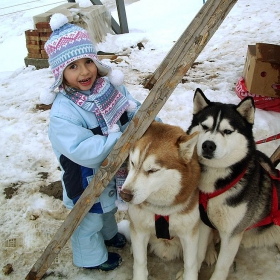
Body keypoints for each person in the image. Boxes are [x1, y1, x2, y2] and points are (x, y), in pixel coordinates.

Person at [41, 13, 141, 271]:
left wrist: (144, 120)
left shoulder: (108, 87)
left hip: (107, 173)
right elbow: (83, 151)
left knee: (107, 210)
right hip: (84, 177)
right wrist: (121, 137)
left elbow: (133, 109)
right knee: (89, 220)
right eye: (72, 66)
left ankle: (109, 236)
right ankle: (91, 257)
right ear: (60, 73)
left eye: (88, 61)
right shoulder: (63, 111)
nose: (84, 71)